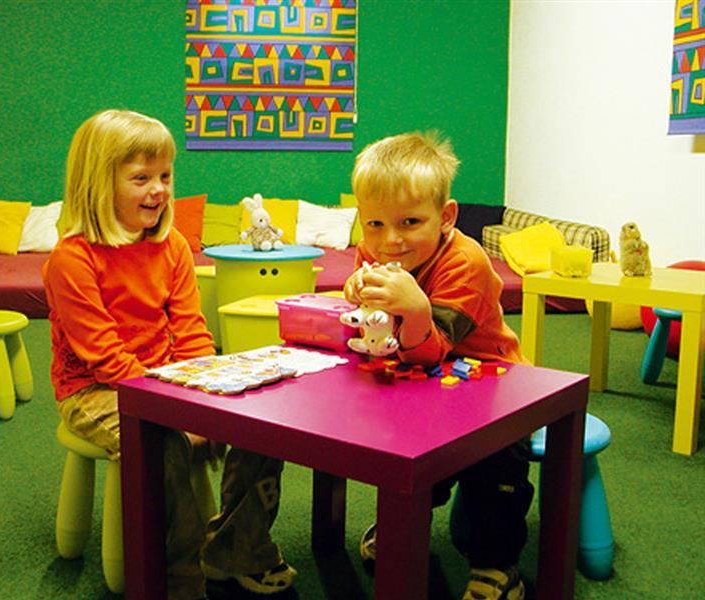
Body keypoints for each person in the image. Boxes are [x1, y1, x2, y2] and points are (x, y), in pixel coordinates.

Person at [43, 109, 296, 600]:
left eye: (164, 176)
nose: (159, 189)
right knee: (162, 442)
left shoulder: (173, 246)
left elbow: (190, 330)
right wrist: (177, 413)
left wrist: (208, 392)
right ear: (98, 184)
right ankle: (180, 579)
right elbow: (105, 357)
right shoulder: (73, 259)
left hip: (168, 379)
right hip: (96, 390)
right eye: (141, 178)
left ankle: (235, 549)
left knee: (261, 418)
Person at [344, 131, 534, 600]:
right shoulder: (376, 248)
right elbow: (373, 301)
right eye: (374, 225)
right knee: (403, 445)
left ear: (445, 217)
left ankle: (497, 563)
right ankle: (403, 524)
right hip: (424, 376)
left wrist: (417, 308)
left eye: (410, 222)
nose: (389, 242)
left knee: (495, 462)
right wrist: (355, 283)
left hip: (491, 379)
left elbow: (437, 346)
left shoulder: (466, 262)